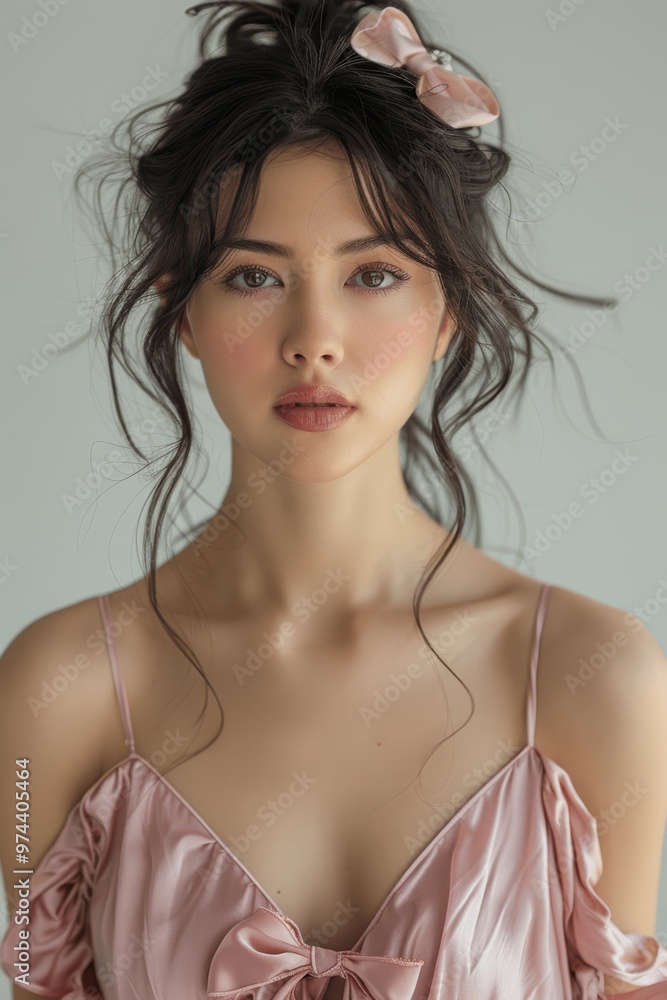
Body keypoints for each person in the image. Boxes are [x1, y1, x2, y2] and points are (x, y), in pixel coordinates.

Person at [1, 1, 666, 998]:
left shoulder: (589, 677)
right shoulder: (58, 689)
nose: (314, 336)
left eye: (374, 273)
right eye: (256, 274)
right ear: (181, 306)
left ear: (448, 310)